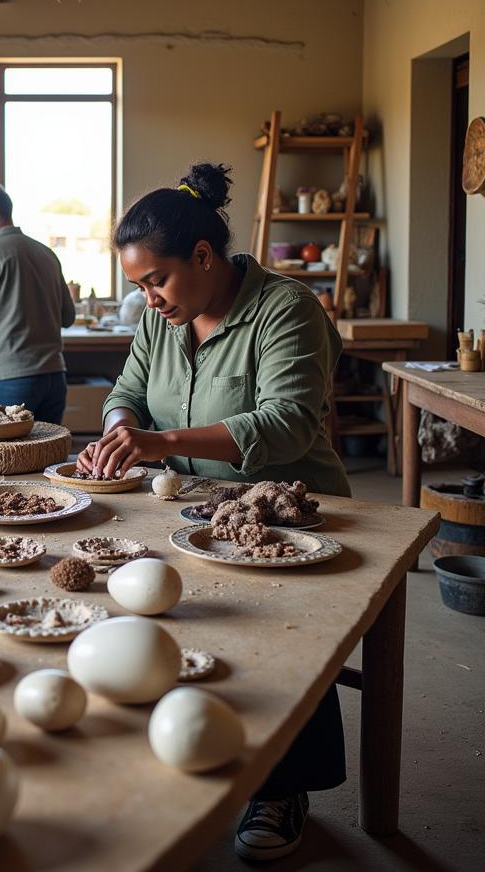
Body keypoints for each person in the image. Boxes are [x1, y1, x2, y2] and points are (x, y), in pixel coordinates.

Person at [77, 163, 349, 861]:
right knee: (152, 603)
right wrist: (118, 428)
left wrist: (158, 441)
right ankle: (184, 735)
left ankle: (281, 785)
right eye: (139, 285)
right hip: (189, 503)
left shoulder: (286, 310)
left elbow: (287, 423)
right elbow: (128, 388)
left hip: (286, 508)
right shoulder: (160, 321)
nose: (149, 298)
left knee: (279, 632)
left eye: (155, 280)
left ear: (203, 257)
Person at [0, 182, 76, 423]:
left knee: (3, 456)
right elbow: (68, 317)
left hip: (8, 379)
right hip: (54, 377)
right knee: (45, 454)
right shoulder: (47, 254)